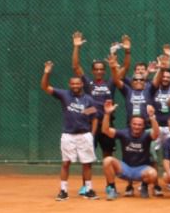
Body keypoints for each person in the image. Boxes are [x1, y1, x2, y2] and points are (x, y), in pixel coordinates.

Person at [41, 59, 101, 200]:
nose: (75, 85)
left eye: (77, 83)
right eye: (73, 83)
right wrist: (46, 73)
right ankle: (63, 191)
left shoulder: (88, 100)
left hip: (84, 135)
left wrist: (91, 135)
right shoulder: (64, 95)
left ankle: (88, 190)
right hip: (68, 135)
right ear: (70, 85)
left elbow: (94, 118)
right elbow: (45, 87)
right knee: (66, 163)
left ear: (82, 84)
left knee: (87, 164)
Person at [99, 101, 159, 199]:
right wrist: (107, 114)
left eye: (139, 125)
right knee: (107, 160)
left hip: (141, 169)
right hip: (125, 168)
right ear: (130, 124)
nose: (137, 126)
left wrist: (152, 117)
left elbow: (156, 134)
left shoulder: (146, 135)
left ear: (143, 126)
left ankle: (144, 186)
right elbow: (105, 130)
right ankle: (112, 189)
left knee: (153, 174)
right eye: (134, 124)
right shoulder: (124, 133)